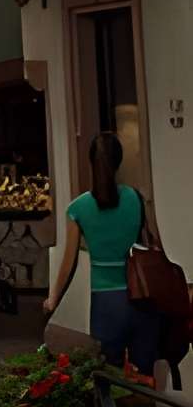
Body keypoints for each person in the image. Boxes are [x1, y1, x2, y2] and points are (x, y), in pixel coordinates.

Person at [45, 131, 160, 376]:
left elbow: (69, 262)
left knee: (109, 378)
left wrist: (53, 298)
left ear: (91, 162)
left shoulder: (78, 208)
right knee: (144, 377)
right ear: (118, 161)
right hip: (142, 297)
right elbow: (152, 243)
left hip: (106, 303)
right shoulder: (135, 198)